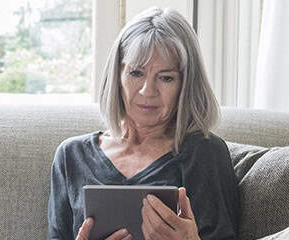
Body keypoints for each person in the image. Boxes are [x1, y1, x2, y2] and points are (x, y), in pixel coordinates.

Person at [46, 7, 241, 240]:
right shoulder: (72, 156)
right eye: (136, 73)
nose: (148, 91)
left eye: (166, 77)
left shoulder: (204, 153)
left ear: (185, 85)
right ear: (118, 74)